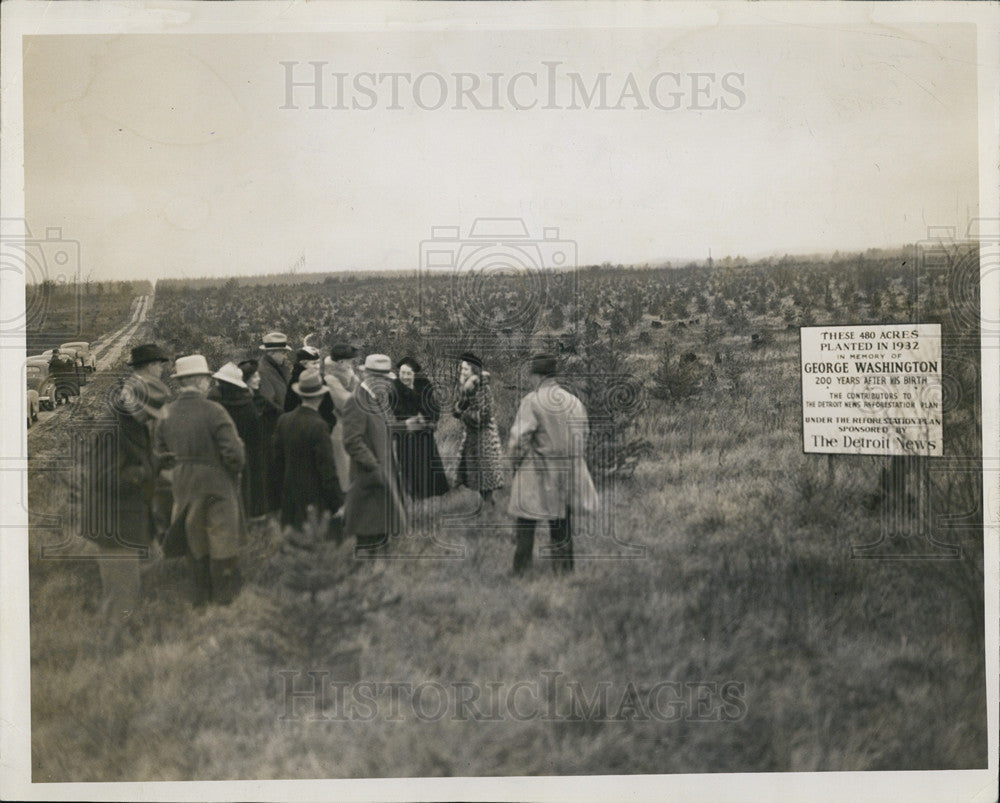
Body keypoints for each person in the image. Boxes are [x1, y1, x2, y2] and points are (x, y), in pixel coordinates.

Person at [75, 375, 169, 649]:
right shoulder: (112, 429)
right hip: (113, 525)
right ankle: (110, 653)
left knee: (128, 586)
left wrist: (158, 462)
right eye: (149, 413)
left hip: (126, 519)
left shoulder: (129, 422)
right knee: (121, 593)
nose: (152, 419)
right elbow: (103, 478)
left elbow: (132, 461)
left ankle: (121, 641)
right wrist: (147, 471)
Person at [155, 355, 246, 606]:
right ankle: (226, 601)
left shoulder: (166, 414)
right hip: (216, 480)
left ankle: (201, 600)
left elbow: (160, 454)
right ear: (199, 381)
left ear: (181, 382)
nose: (208, 384)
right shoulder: (215, 411)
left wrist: (178, 471)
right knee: (222, 536)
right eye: (206, 379)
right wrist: (232, 471)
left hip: (183, 482)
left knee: (194, 538)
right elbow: (235, 454)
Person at [508, 354, 599, 575]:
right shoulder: (573, 401)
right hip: (568, 471)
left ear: (537, 376)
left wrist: (516, 464)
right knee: (561, 523)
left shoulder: (533, 400)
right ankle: (564, 571)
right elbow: (584, 435)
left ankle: (521, 572)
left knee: (526, 522)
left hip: (539, 469)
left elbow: (519, 439)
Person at [342, 354, 407, 556]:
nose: (386, 384)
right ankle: (365, 578)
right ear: (369, 376)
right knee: (368, 528)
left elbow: (381, 429)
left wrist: (403, 427)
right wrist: (374, 466)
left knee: (381, 527)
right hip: (368, 476)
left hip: (383, 473)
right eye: (383, 379)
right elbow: (353, 441)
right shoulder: (356, 401)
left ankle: (379, 573)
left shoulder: (377, 398)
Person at [271, 368, 345, 536]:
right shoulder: (319, 426)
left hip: (290, 495)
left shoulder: (284, 420)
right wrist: (338, 503)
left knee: (292, 547)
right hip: (314, 498)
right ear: (320, 396)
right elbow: (327, 468)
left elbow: (277, 461)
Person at [125, 343, 174, 540]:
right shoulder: (137, 392)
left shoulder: (136, 387)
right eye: (159, 365)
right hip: (130, 487)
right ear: (150, 365)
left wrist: (157, 459)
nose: (162, 370)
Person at [212, 361, 266, 523]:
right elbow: (256, 436)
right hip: (247, 454)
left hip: (220, 456)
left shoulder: (215, 403)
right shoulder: (248, 405)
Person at [392, 356, 448, 500]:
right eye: (402, 373)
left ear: (414, 374)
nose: (404, 376)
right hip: (406, 434)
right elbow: (395, 411)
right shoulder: (394, 388)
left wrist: (430, 419)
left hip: (424, 433)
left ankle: (434, 492)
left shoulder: (424, 386)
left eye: (408, 373)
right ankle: (415, 495)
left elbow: (434, 406)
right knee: (410, 464)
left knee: (426, 461)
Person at [452, 352, 505, 504]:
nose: (462, 372)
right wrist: (459, 409)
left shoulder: (482, 387)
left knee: (485, 476)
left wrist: (463, 413)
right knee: (475, 475)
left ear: (474, 370)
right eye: (461, 369)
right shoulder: (465, 388)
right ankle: (487, 508)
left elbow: (484, 415)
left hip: (484, 437)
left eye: (466, 369)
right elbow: (456, 409)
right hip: (472, 436)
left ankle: (490, 510)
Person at [256, 332, 292, 512]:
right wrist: (287, 416)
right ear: (271, 353)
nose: (285, 355)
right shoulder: (263, 372)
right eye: (282, 352)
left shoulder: (280, 368)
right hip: (273, 431)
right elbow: (267, 404)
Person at [323, 343, 361, 494]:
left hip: (349, 425)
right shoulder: (330, 379)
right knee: (343, 465)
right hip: (337, 427)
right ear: (341, 362)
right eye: (350, 361)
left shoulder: (348, 374)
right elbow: (345, 403)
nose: (352, 364)